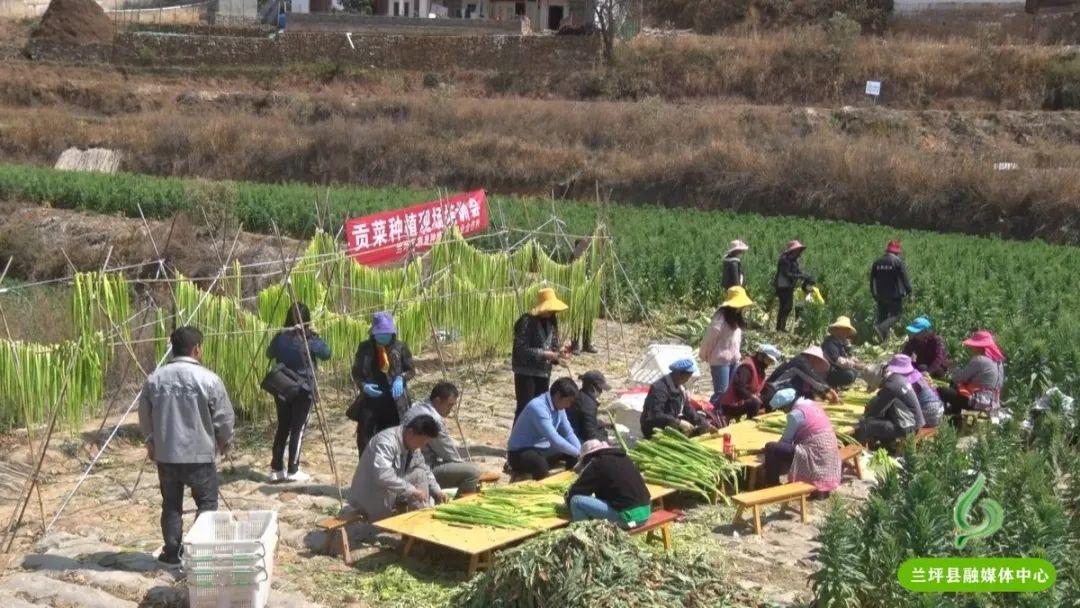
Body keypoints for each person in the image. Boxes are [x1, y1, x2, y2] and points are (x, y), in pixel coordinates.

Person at [138, 327, 235, 565]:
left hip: (167, 455)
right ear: (197, 349)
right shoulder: (209, 379)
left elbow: (144, 414)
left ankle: (172, 553)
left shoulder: (155, 379)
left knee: (171, 505)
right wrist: (225, 442)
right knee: (207, 503)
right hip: (199, 455)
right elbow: (223, 417)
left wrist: (150, 440)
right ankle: (200, 552)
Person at [265, 302, 331, 483]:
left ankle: (277, 469)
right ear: (307, 321)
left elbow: (269, 354)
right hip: (303, 389)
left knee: (283, 426)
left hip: (283, 387)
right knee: (298, 429)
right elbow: (327, 353)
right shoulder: (309, 340)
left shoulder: (280, 337)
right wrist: (311, 336)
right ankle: (293, 469)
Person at [346, 415, 445, 522]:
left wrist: (437, 491)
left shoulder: (412, 443)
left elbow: (423, 467)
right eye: (421, 442)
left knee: (419, 473)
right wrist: (411, 490)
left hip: (392, 490)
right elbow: (382, 475)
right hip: (372, 493)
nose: (421, 446)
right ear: (411, 432)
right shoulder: (385, 442)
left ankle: (419, 520)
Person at [351, 311, 415, 455]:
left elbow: (411, 369)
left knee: (396, 439)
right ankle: (368, 471)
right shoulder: (365, 348)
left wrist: (401, 378)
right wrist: (363, 386)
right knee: (366, 440)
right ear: (373, 333)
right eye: (380, 334)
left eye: (387, 334)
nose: (383, 337)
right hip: (371, 401)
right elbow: (356, 373)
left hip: (395, 401)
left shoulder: (400, 347)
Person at [401, 382, 482, 496]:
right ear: (438, 401)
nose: (450, 410)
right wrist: (464, 464)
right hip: (421, 468)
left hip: (408, 465)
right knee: (473, 472)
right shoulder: (434, 419)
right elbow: (449, 454)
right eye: (449, 405)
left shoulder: (416, 407)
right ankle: (460, 506)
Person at [762, 389, 841, 497]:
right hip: (830, 449)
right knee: (781, 448)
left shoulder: (795, 415)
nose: (784, 412)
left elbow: (786, 441)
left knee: (771, 448)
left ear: (788, 405)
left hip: (814, 453)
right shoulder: (811, 404)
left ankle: (771, 485)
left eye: (782, 408)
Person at [506, 378, 582, 480]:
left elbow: (568, 433)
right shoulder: (538, 407)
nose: (569, 405)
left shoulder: (559, 407)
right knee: (541, 466)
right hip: (521, 451)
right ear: (558, 396)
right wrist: (579, 453)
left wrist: (581, 452)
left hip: (543, 448)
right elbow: (554, 439)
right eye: (569, 401)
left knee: (573, 454)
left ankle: (569, 480)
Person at [565, 440, 652, 528]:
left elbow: (574, 492)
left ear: (588, 457)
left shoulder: (596, 464)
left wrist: (567, 504)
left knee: (576, 501)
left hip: (628, 518)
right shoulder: (624, 458)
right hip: (646, 512)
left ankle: (584, 534)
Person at [512, 287, 570, 420]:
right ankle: (518, 439)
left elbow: (553, 346)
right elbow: (520, 350)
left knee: (540, 408)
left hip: (543, 372)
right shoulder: (526, 321)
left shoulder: (551, 322)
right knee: (525, 408)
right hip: (526, 372)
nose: (550, 312)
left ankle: (534, 438)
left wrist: (558, 355)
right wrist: (544, 354)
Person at [853, 354, 924, 447]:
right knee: (881, 420)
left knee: (866, 425)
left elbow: (876, 412)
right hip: (916, 421)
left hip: (908, 426)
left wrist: (865, 416)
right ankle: (885, 443)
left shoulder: (890, 387)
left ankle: (857, 449)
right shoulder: (897, 378)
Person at [699, 286, 753, 405]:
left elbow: (736, 341)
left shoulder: (737, 318)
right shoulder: (720, 318)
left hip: (734, 359)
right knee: (721, 392)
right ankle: (712, 415)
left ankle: (724, 414)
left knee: (731, 391)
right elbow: (709, 339)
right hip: (720, 361)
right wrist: (704, 354)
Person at [939, 330, 1006, 419]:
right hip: (993, 402)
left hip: (978, 402)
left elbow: (959, 378)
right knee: (956, 388)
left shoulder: (980, 360)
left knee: (942, 391)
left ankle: (952, 416)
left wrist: (954, 368)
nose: (972, 348)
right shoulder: (998, 362)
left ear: (980, 347)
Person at [641, 359, 711, 439]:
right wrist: (678, 422)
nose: (688, 379)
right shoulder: (659, 388)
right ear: (678, 374)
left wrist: (704, 423)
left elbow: (688, 409)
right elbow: (656, 414)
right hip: (654, 427)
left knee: (697, 429)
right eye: (688, 376)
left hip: (670, 423)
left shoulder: (680, 387)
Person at [719, 344, 782, 422]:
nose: (769, 363)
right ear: (761, 356)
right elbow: (738, 388)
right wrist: (751, 396)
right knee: (754, 403)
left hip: (745, 400)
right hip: (732, 404)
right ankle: (749, 423)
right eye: (769, 360)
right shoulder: (747, 367)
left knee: (770, 392)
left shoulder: (760, 369)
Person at [870, 240, 913, 341]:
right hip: (895, 295)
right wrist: (910, 292)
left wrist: (874, 294)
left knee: (882, 317)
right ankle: (881, 329)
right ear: (897, 252)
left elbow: (872, 281)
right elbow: (904, 278)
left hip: (880, 295)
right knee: (896, 315)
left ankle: (882, 342)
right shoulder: (898, 262)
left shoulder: (877, 262)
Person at [765, 346, 838, 405]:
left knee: (808, 396)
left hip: (781, 390)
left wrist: (824, 396)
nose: (817, 363)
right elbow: (814, 380)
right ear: (812, 357)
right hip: (773, 391)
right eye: (817, 360)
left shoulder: (802, 363)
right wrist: (830, 390)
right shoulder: (799, 362)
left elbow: (810, 384)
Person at [773, 240, 814, 332]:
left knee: (788, 307)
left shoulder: (794, 261)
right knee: (785, 306)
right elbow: (787, 274)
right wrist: (801, 276)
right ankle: (780, 328)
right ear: (792, 250)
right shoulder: (784, 260)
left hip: (789, 286)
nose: (798, 252)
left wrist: (805, 275)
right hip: (782, 286)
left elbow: (797, 272)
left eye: (799, 250)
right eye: (797, 250)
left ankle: (781, 327)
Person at [567, 370, 611, 443]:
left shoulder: (581, 395)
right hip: (576, 438)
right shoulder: (588, 405)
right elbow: (590, 435)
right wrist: (608, 441)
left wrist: (602, 424)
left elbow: (585, 421)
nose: (601, 392)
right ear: (592, 387)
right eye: (600, 389)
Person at [821, 316, 861, 390]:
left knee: (855, 372)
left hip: (836, 369)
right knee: (849, 375)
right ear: (835, 330)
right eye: (841, 329)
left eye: (846, 330)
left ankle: (836, 386)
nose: (844, 333)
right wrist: (856, 365)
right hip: (827, 372)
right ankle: (829, 384)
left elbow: (846, 356)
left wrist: (852, 359)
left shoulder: (842, 343)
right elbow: (839, 361)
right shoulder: (830, 343)